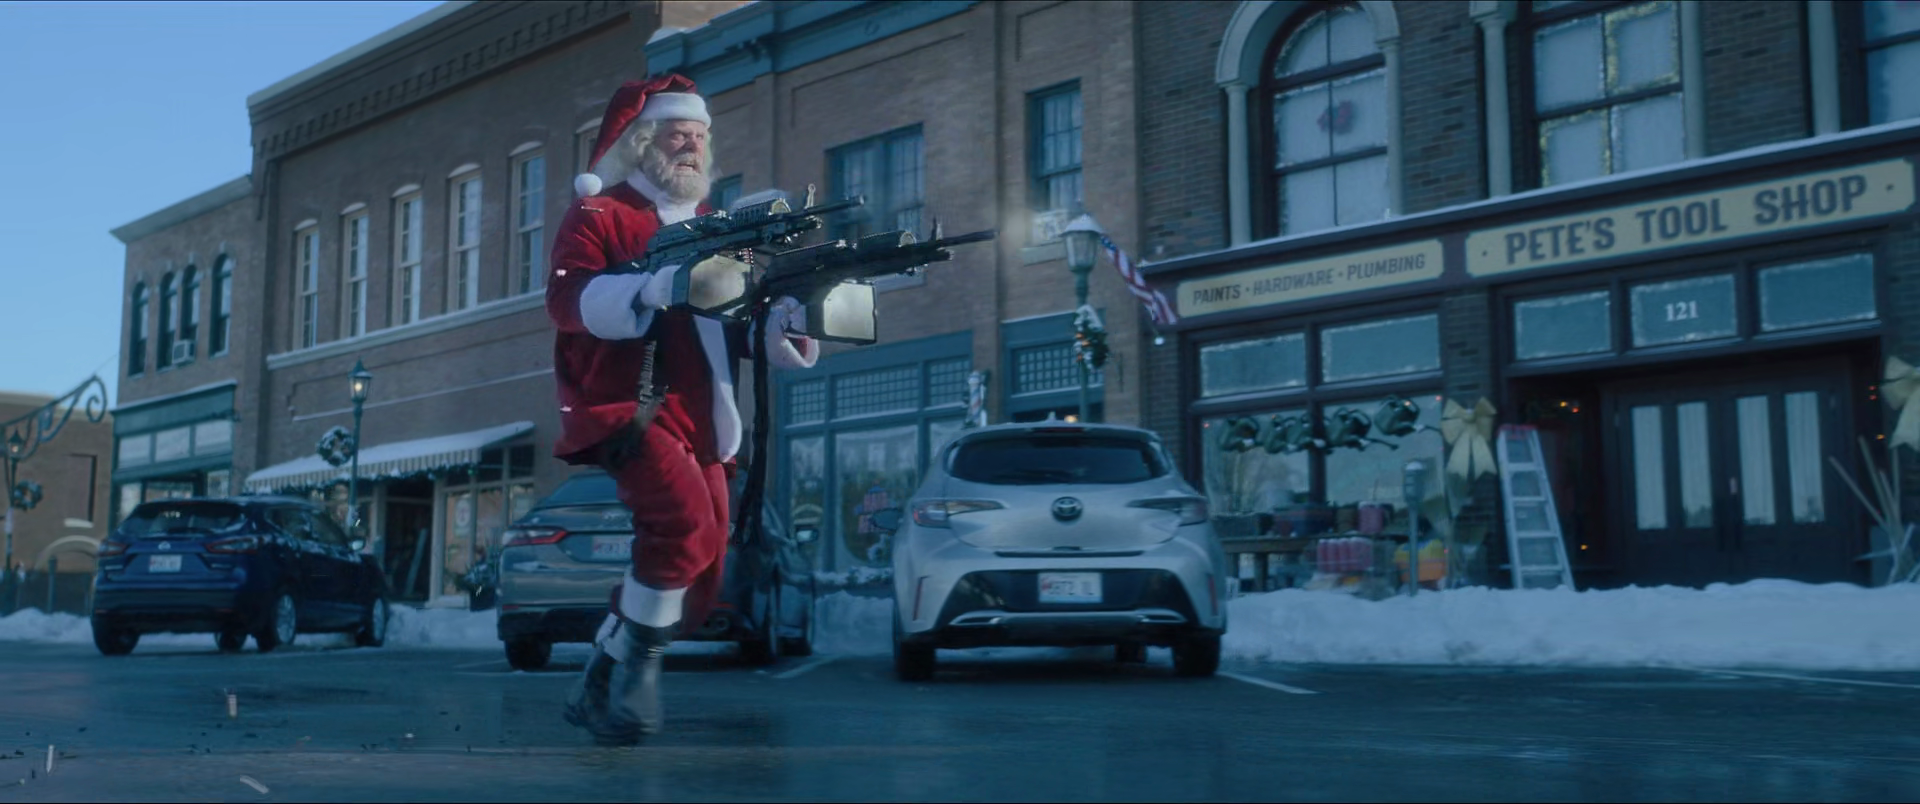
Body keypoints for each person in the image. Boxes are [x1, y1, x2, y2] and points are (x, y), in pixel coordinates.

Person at [545, 74, 819, 747]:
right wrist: (657, 286)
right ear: (644, 141)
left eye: (700, 135)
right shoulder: (601, 215)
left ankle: (602, 677)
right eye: (678, 134)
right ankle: (635, 673)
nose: (692, 146)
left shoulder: (708, 228)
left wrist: (783, 320)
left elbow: (724, 330)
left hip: (707, 416)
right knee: (684, 528)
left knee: (702, 581)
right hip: (632, 406)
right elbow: (568, 301)